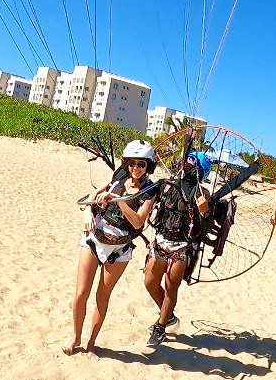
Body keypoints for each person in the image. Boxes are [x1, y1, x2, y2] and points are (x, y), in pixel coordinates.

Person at [64, 139, 158, 359]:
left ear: (148, 166)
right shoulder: (119, 176)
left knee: (101, 297)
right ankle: (75, 338)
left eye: (141, 164)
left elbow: (137, 222)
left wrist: (118, 200)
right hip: (94, 239)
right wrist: (88, 212)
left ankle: (90, 344)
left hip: (119, 249)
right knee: (80, 293)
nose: (135, 168)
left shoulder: (149, 190)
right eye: (132, 163)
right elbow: (93, 195)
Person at [143, 150, 212, 346]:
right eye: (186, 163)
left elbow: (205, 228)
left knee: (171, 287)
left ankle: (160, 327)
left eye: (191, 165)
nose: (186, 167)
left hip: (181, 247)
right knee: (150, 282)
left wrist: (205, 212)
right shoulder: (166, 185)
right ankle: (170, 316)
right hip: (160, 241)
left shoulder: (202, 195)